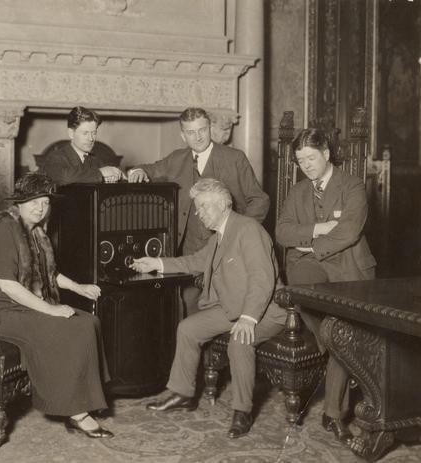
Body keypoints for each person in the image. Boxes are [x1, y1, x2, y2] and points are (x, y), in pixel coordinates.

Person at [130, 178, 286, 438]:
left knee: (239, 341)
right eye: (198, 208)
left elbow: (262, 278)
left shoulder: (248, 229)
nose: (199, 214)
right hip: (232, 307)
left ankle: (242, 411)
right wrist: (156, 263)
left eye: (203, 207)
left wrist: (248, 318)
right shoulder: (220, 235)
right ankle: (183, 393)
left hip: (266, 310)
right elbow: (196, 260)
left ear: (223, 205)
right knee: (188, 328)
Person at [0, 172, 114, 439]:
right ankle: (76, 412)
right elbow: (7, 284)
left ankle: (86, 400)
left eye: (46, 202)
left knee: (89, 322)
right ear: (19, 203)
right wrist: (50, 310)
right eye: (34, 201)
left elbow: (50, 275)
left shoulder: (36, 231)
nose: (41, 207)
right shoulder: (5, 227)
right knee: (71, 328)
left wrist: (78, 287)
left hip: (23, 306)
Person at [276, 128, 377, 446]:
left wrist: (308, 243)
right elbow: (282, 232)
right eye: (300, 160)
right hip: (307, 270)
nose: (305, 165)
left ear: (327, 154)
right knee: (336, 333)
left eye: (311, 158)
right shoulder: (297, 192)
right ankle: (335, 354)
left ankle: (332, 414)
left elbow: (348, 232)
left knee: (339, 330)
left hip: (350, 270)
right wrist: (320, 229)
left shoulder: (353, 186)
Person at [128, 107, 270, 316]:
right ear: (182, 136)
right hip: (190, 251)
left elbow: (259, 200)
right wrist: (137, 170)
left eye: (202, 130)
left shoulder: (234, 158)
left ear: (210, 128)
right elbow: (150, 169)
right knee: (187, 311)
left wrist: (240, 232)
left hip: (229, 250)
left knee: (227, 309)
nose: (198, 137)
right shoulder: (177, 159)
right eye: (191, 132)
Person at [39, 106, 124, 185]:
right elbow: (66, 177)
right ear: (71, 133)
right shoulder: (56, 157)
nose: (91, 139)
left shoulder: (95, 160)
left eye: (94, 133)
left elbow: (112, 173)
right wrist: (101, 173)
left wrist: (116, 175)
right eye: (85, 133)